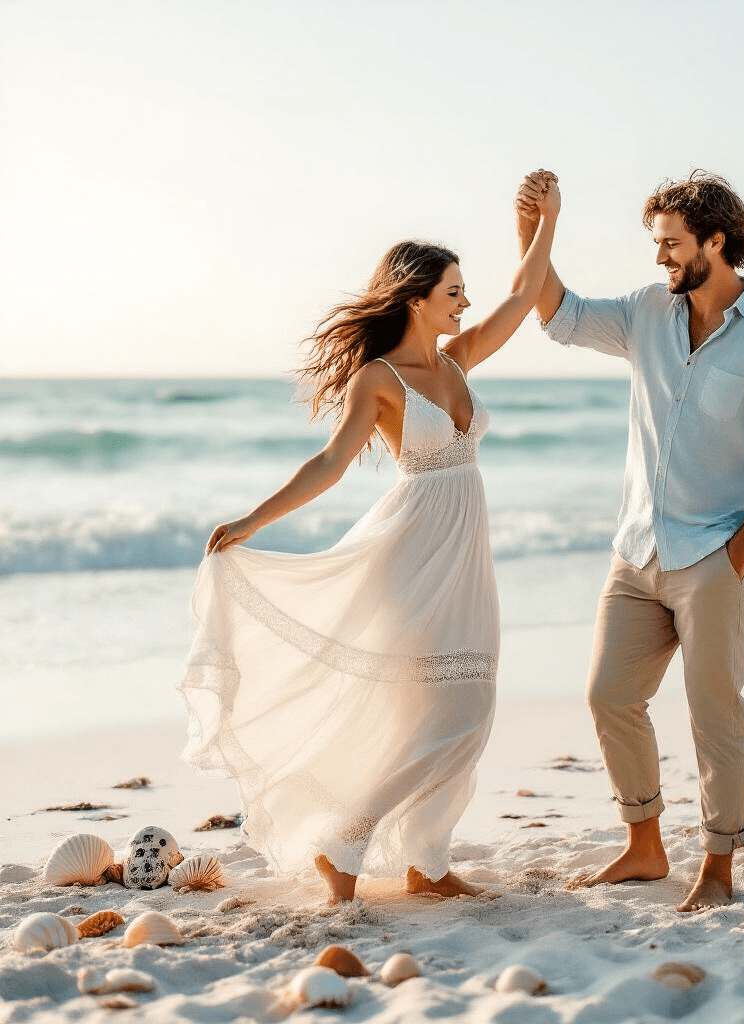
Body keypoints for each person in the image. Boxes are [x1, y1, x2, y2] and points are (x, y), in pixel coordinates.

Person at [179, 177, 561, 904]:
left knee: (462, 708)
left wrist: (547, 223)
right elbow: (329, 462)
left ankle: (426, 863)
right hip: (409, 553)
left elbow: (524, 295)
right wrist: (257, 520)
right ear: (416, 297)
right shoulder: (379, 380)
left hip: (464, 557)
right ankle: (344, 847)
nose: (466, 303)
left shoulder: (457, 361)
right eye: (454, 291)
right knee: (449, 713)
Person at [515, 168, 744, 911]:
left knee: (715, 710)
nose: (660, 258)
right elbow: (554, 311)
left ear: (717, 242)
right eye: (657, 244)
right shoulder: (647, 313)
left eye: (672, 244)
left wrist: (736, 558)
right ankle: (645, 847)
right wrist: (535, 225)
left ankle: (717, 865)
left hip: (716, 557)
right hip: (638, 552)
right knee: (609, 695)